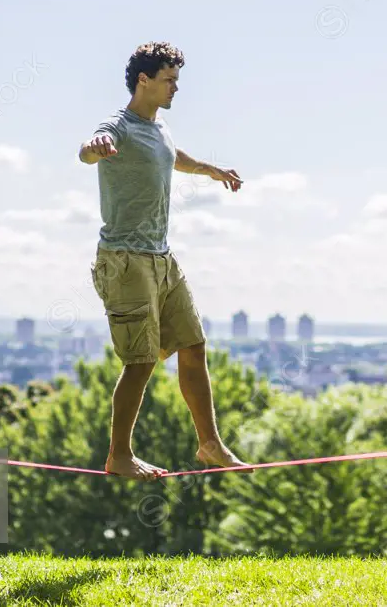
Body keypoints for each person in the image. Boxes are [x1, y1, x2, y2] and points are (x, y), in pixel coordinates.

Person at [79, 41, 250, 481]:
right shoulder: (118, 125)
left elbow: (174, 158)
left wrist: (210, 170)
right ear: (144, 80)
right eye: (169, 80)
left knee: (194, 346)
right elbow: (88, 148)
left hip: (161, 258)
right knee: (140, 362)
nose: (176, 88)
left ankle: (210, 444)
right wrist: (95, 146)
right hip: (125, 260)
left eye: (176, 80)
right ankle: (119, 456)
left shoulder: (159, 129)